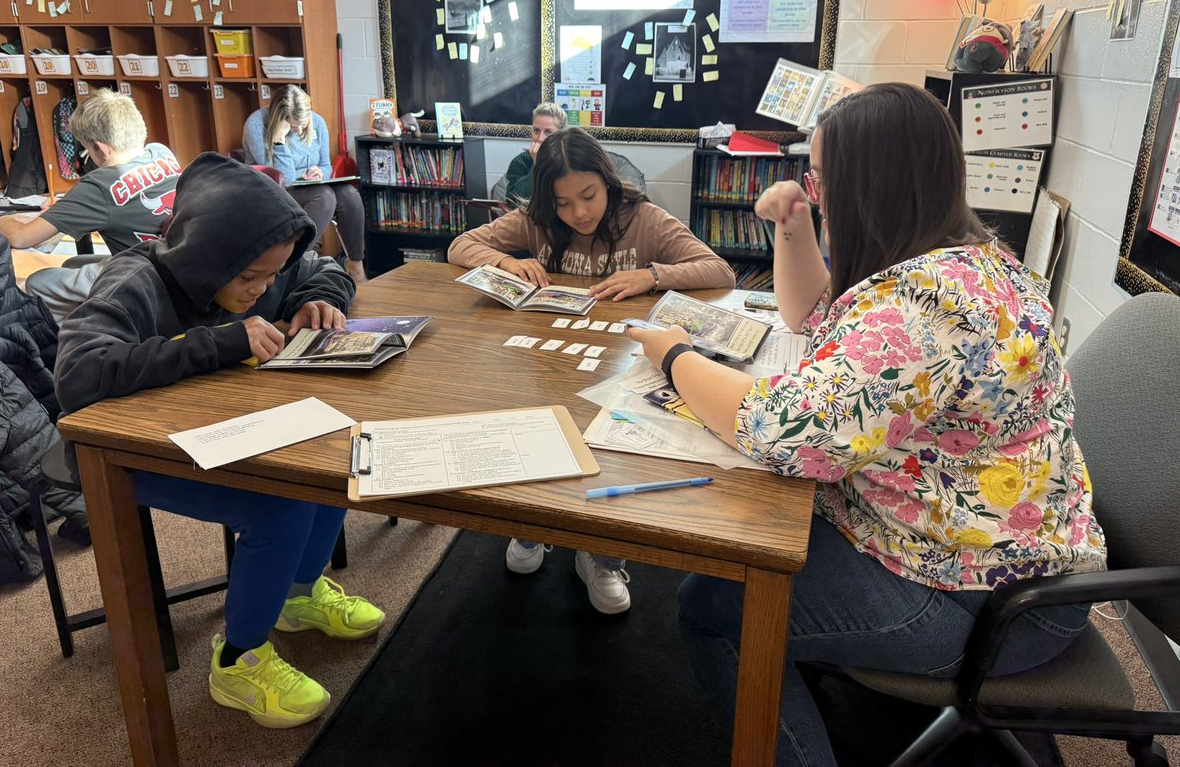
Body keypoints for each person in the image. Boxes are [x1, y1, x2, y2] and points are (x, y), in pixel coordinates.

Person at [624, 84, 1108, 765]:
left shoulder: (924, 312)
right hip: (1010, 563)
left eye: (819, 177)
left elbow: (780, 431)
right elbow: (814, 317)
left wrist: (671, 353)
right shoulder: (964, 262)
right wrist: (792, 225)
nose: (812, 188)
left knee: (713, 606)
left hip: (984, 606)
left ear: (864, 183)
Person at [54, 153, 384, 729]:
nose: (262, 290)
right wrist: (225, 341)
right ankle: (236, 660)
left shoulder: (263, 262)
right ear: (207, 257)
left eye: (271, 276)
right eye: (249, 278)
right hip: (130, 457)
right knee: (279, 504)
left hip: (217, 432)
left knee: (337, 457)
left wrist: (322, 297)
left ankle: (300, 595)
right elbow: (78, 376)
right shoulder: (134, 280)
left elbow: (323, 270)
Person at [448, 126, 735, 614]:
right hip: (548, 362)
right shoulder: (534, 222)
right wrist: (504, 260)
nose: (579, 212)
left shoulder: (642, 218)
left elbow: (719, 272)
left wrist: (653, 274)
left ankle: (601, 557)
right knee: (535, 435)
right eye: (563, 203)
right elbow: (460, 246)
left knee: (610, 456)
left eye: (589, 195)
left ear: (608, 181)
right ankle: (531, 529)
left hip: (616, 367)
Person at [0, 89, 182, 322]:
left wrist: (2, 220)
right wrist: (70, 210)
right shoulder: (161, 153)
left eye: (86, 148)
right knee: (72, 263)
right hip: (175, 263)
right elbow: (128, 208)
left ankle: (80, 336)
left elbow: (20, 238)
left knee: (37, 282)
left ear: (101, 148)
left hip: (147, 278)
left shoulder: (97, 186)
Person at [242, 85, 367, 285]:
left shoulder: (317, 122)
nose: (299, 130)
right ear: (279, 120)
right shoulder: (256, 124)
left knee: (348, 193)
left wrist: (320, 172)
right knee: (325, 196)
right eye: (292, 127)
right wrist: (279, 142)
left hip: (311, 186)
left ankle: (356, 266)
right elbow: (282, 178)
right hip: (273, 191)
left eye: (302, 123)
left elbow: (326, 165)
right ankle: (288, 264)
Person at [500, 102, 567, 207]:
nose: (540, 139)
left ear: (561, 134)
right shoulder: (521, 162)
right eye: (536, 131)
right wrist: (537, 164)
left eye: (548, 132)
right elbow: (514, 203)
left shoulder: (570, 160)